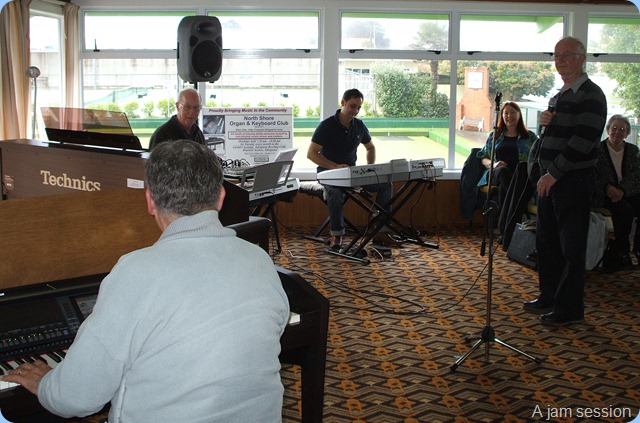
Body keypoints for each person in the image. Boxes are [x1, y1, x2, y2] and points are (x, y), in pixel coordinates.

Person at [2, 140, 290, 422]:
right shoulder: (259, 260)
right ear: (220, 197)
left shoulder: (136, 272)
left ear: (150, 200)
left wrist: (46, 384)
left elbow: (75, 398)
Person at [523, 36, 607, 326]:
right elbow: (550, 137)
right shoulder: (559, 95)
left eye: (567, 55)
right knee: (547, 243)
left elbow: (582, 142)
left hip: (572, 181)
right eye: (556, 56)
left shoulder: (592, 95)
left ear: (582, 58)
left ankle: (570, 309)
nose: (560, 61)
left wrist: (553, 174)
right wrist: (544, 121)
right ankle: (549, 296)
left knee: (571, 248)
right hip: (550, 181)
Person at [307, 88, 398, 249]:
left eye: (358, 108)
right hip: (328, 174)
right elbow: (312, 154)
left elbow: (370, 148)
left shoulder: (359, 126)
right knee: (334, 193)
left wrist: (371, 170)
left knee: (385, 184)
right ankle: (337, 236)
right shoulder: (326, 125)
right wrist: (334, 166)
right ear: (343, 102)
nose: (355, 111)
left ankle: (380, 231)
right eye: (352, 106)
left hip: (351, 174)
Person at [476, 101, 538, 229]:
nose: (509, 116)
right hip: (496, 173)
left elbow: (538, 157)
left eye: (512, 113)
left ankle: (505, 230)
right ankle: (511, 222)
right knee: (504, 172)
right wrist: (493, 164)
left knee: (506, 188)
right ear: (502, 116)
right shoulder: (495, 136)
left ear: (519, 115)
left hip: (520, 175)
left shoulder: (530, 137)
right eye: (506, 113)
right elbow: (483, 157)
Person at [593, 114, 640, 271]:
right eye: (614, 128)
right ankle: (620, 252)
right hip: (605, 194)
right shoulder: (597, 150)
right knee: (624, 210)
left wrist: (623, 189)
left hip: (628, 192)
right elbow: (595, 175)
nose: (617, 132)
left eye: (622, 129)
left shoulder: (633, 151)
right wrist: (608, 187)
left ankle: (636, 247)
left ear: (627, 133)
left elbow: (637, 175)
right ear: (608, 130)